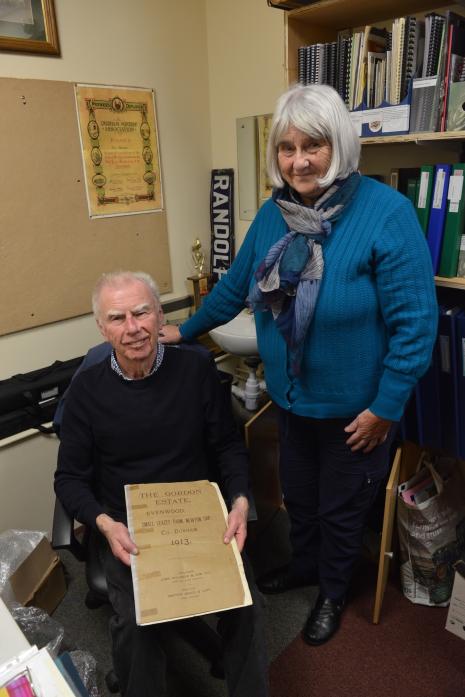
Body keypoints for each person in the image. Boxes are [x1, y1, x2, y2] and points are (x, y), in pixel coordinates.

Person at [159, 83, 438, 645]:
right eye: (286, 148)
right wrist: (180, 329)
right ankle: (307, 566)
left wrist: (385, 409)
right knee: (301, 499)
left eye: (314, 145)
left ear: (339, 146)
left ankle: (333, 593)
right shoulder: (274, 214)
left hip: (356, 413)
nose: (299, 159)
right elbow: (234, 288)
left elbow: (416, 326)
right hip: (292, 399)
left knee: (340, 510)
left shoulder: (388, 215)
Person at [54, 271, 269, 697]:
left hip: (196, 517)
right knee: (137, 622)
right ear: (102, 327)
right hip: (127, 527)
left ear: (159, 316)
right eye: (117, 318)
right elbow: (69, 478)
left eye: (142, 312)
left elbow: (227, 446)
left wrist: (241, 501)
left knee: (248, 606)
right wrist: (103, 524)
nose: (132, 328)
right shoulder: (85, 392)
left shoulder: (196, 371)